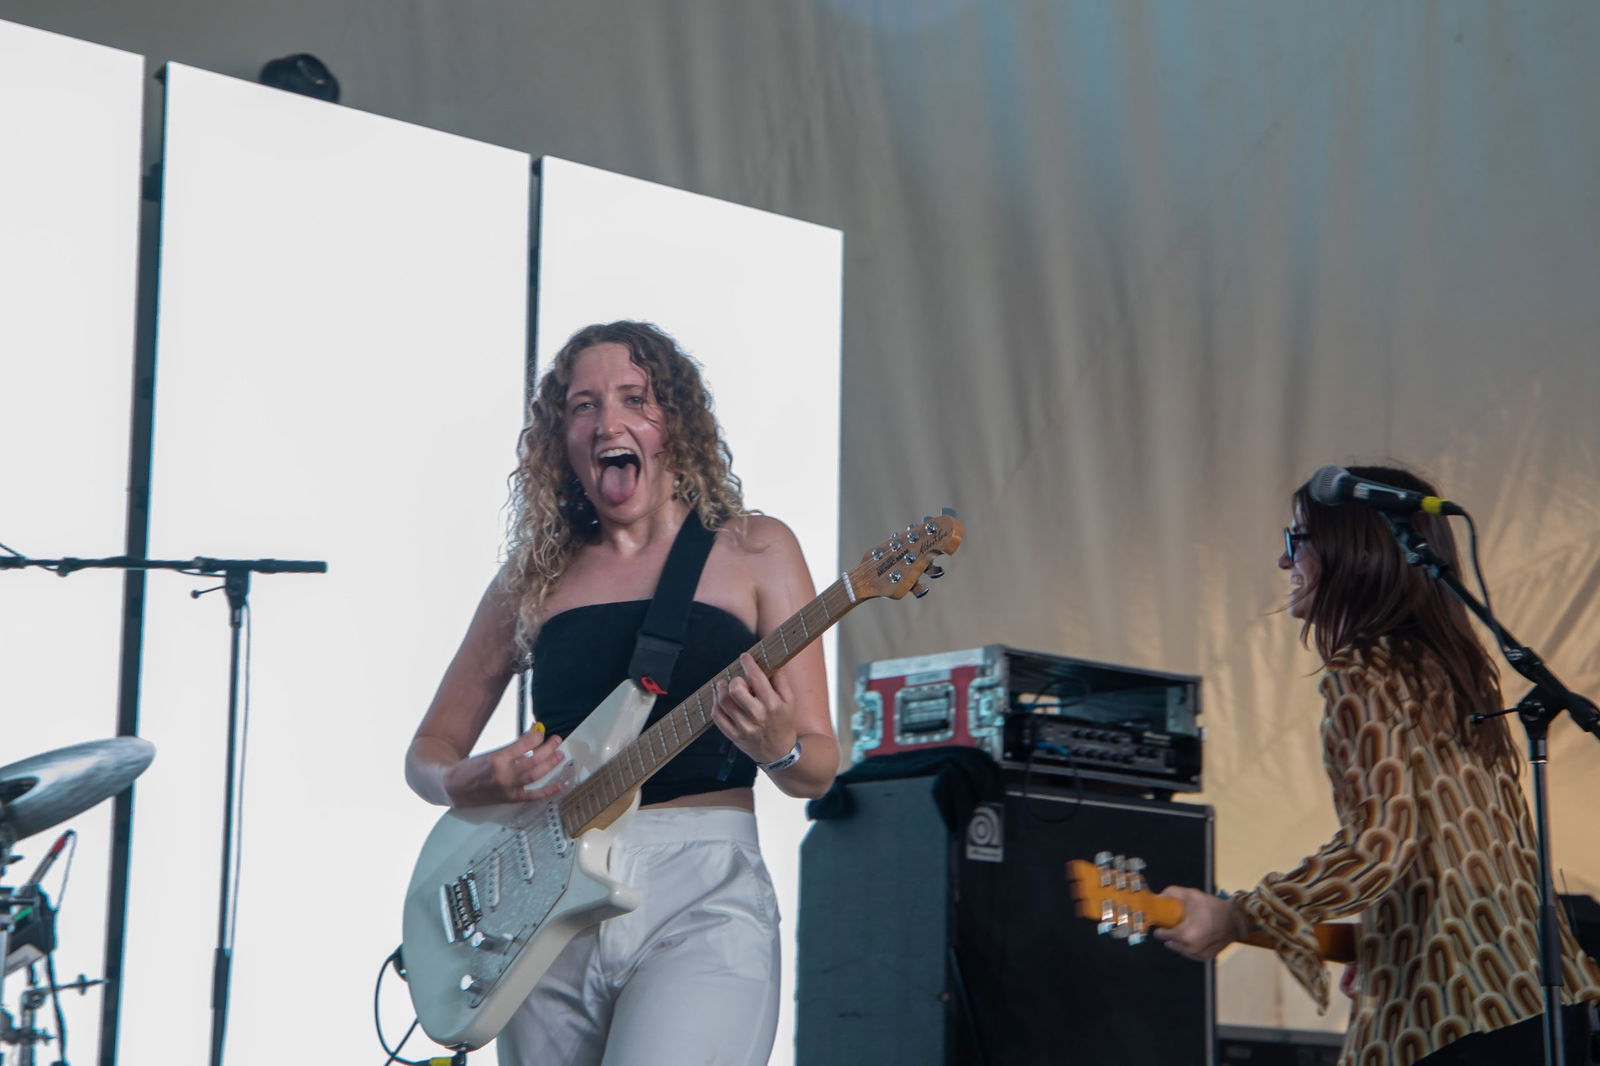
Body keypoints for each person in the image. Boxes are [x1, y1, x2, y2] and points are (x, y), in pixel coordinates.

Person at [405, 320, 837, 1066]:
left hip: (703, 887)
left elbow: (818, 766)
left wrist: (779, 749)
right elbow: (428, 752)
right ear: (561, 439)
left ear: (675, 423)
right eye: (584, 405)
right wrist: (462, 781)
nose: (608, 421)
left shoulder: (756, 549)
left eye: (635, 398)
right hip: (543, 893)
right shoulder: (530, 580)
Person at [1155, 465, 1600, 1066]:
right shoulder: (1455, 671)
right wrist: (1390, 939)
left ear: (1355, 553)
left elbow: (1378, 848)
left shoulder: (1364, 674)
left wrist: (1240, 915)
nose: (1285, 561)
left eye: (1297, 540)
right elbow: (1451, 855)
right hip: (1538, 999)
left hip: (1455, 1015)